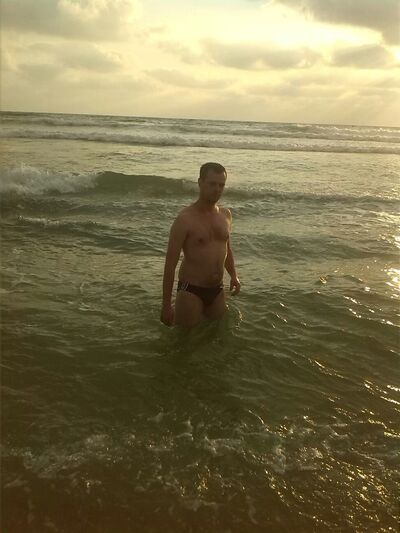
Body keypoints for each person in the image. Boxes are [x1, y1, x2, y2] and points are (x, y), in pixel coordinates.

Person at [161, 162, 240, 328]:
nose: (217, 189)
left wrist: (234, 275)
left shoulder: (225, 215)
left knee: (217, 335)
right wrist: (166, 305)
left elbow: (226, 248)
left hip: (217, 290)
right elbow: (170, 265)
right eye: (212, 184)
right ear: (200, 182)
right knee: (186, 340)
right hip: (191, 290)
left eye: (221, 185)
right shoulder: (185, 219)